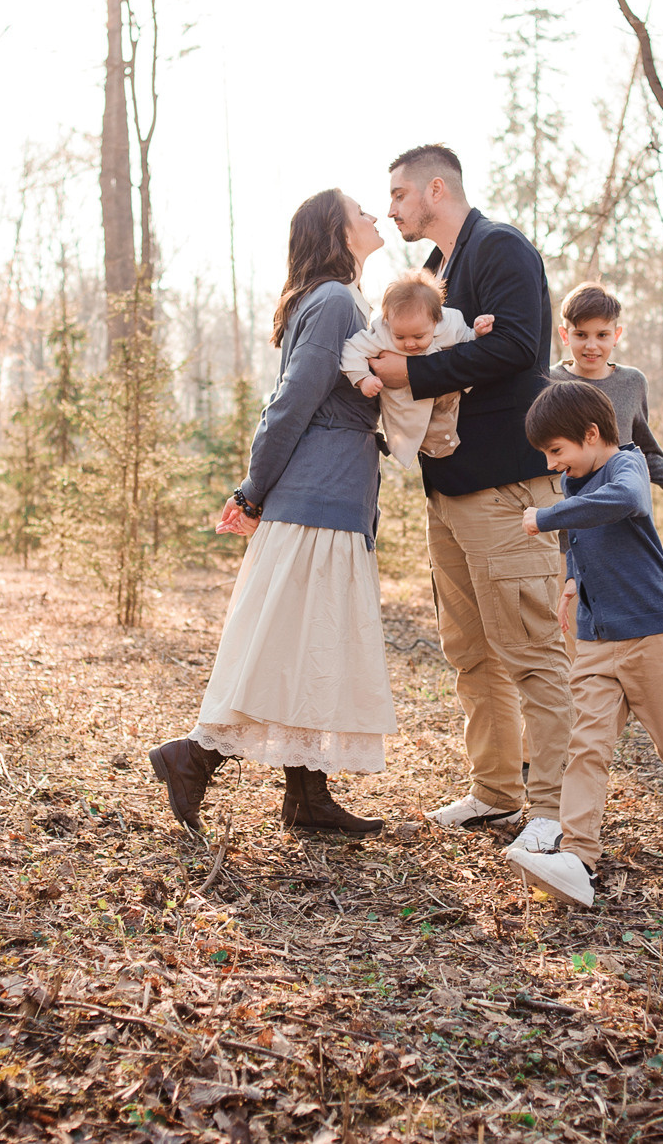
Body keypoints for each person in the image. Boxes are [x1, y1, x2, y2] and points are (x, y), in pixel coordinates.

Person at [147, 189, 395, 836]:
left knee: (309, 646)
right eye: (361, 210)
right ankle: (192, 758)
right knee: (280, 649)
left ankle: (307, 798)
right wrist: (254, 486)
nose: (374, 216)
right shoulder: (338, 301)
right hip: (317, 505)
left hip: (334, 501)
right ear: (338, 232)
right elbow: (290, 404)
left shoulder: (339, 301)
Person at [368, 144, 571, 850]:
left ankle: (554, 807)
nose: (391, 207)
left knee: (533, 649)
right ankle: (494, 789)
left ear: (435, 189)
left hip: (507, 490)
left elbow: (519, 347)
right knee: (471, 651)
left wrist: (409, 375)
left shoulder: (501, 249)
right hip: (449, 494)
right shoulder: (437, 275)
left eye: (398, 194)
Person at [503, 381, 663, 907]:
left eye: (556, 451)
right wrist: (572, 578)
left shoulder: (626, 467)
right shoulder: (576, 481)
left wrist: (544, 517)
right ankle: (577, 857)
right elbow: (579, 538)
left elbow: (626, 502)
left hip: (652, 633)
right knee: (586, 747)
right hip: (595, 640)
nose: (552, 464)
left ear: (591, 434)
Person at [548, 280, 663, 527]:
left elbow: (645, 455)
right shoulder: (549, 382)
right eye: (581, 335)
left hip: (621, 525)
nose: (591, 345)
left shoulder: (632, 383)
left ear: (616, 335)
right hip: (566, 525)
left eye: (602, 335)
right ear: (565, 335)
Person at [341, 267, 495, 467]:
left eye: (419, 336)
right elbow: (351, 349)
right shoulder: (382, 332)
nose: (410, 344)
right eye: (400, 337)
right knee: (411, 431)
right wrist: (363, 378)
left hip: (445, 395)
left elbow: (466, 340)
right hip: (404, 402)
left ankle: (444, 448)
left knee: (445, 424)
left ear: (435, 320)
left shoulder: (450, 323)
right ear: (388, 323)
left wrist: (477, 333)